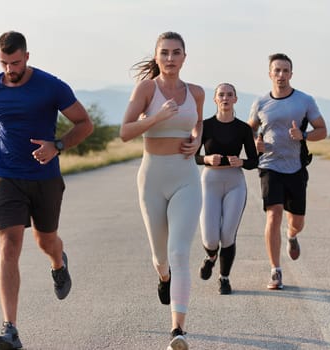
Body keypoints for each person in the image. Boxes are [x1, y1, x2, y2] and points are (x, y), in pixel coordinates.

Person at [0, 31, 94, 350]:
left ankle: (58, 263)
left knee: (46, 240)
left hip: (45, 178)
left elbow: (84, 123)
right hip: (6, 177)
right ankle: (10, 328)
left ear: (27, 56)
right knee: (9, 246)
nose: (10, 69)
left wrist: (58, 145)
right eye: (4, 63)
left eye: (15, 62)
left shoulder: (51, 86)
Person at [119, 31, 204, 350]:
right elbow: (124, 131)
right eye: (164, 53)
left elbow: (198, 125)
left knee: (180, 252)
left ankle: (177, 330)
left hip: (186, 177)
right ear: (157, 57)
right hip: (152, 176)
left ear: (185, 57)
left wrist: (197, 139)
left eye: (176, 52)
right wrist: (157, 117)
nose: (170, 58)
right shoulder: (145, 89)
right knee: (160, 257)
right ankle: (164, 277)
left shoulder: (196, 92)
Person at [247, 53, 327, 290]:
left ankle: (292, 236)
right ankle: (275, 270)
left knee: (297, 221)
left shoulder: (305, 101)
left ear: (291, 74)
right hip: (269, 165)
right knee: (273, 215)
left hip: (296, 167)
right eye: (277, 70)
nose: (281, 75)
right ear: (269, 73)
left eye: (285, 71)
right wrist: (255, 144)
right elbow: (248, 131)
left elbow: (322, 130)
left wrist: (303, 135)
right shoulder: (260, 103)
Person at [195, 83, 258, 295]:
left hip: (235, 184)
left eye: (229, 95)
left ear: (235, 99)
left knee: (228, 236)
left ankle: (224, 278)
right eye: (221, 95)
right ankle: (211, 256)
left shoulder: (243, 129)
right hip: (209, 182)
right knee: (210, 238)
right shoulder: (205, 126)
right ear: (215, 99)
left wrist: (241, 162)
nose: (225, 98)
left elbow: (254, 161)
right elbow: (193, 157)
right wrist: (206, 158)